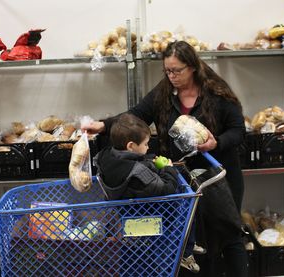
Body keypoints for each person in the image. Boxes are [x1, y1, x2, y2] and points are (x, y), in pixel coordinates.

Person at [83, 41, 248, 276]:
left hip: (218, 174)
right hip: (184, 177)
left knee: (228, 232)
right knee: (194, 237)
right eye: (167, 71)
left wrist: (216, 143)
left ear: (192, 67)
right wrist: (102, 125)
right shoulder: (164, 92)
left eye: (177, 71)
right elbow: (137, 114)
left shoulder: (217, 93)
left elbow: (238, 131)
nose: (171, 76)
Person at [94, 113, 201, 273]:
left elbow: (133, 162)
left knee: (132, 263)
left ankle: (185, 246)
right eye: (145, 144)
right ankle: (185, 250)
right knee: (186, 206)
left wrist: (150, 163)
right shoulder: (137, 173)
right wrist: (168, 169)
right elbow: (166, 189)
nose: (148, 147)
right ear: (130, 146)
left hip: (127, 217)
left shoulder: (106, 156)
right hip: (150, 219)